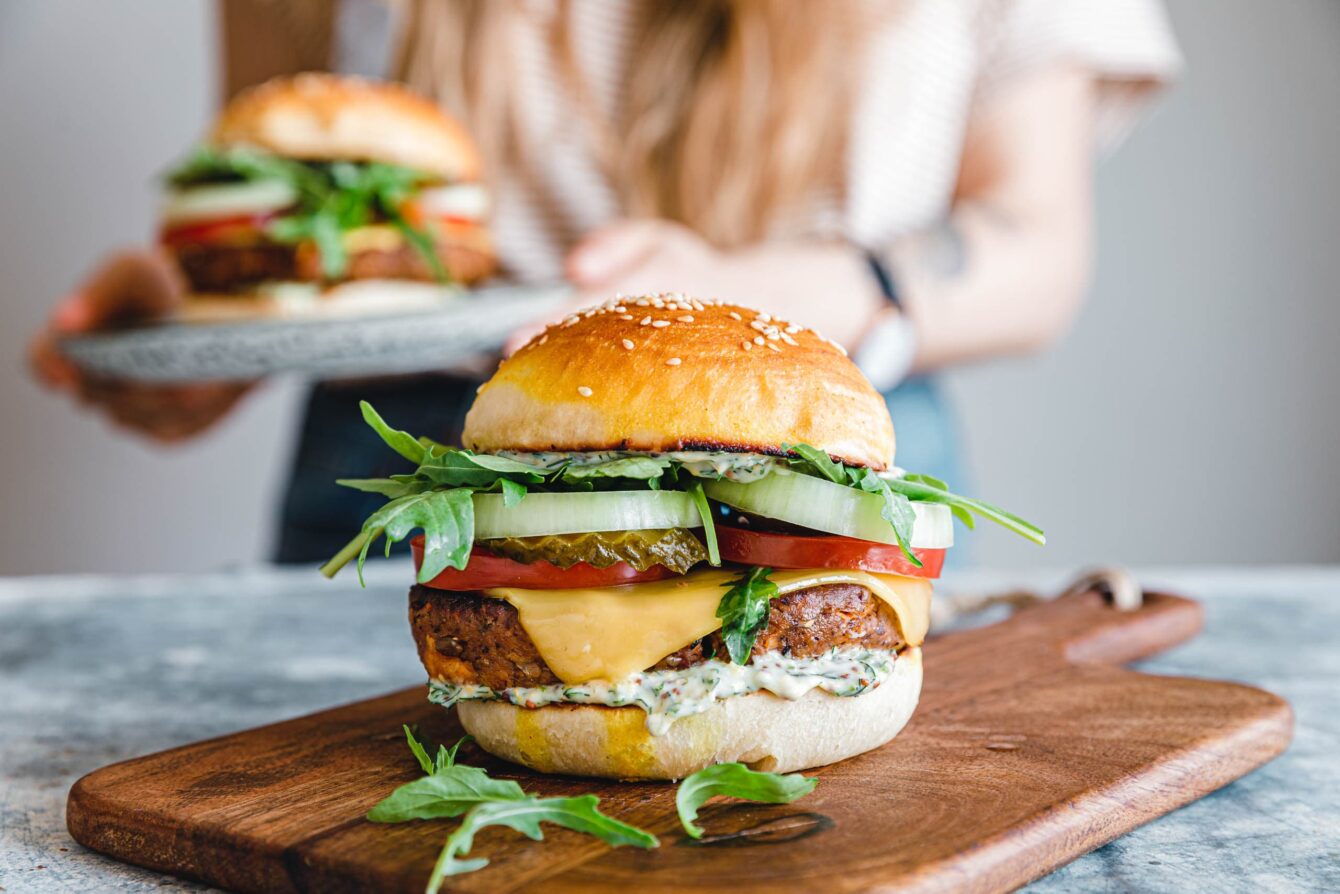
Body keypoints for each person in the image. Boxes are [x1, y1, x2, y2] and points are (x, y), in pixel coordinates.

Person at [28, 0, 1180, 563]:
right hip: (411, 472)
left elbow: (1033, 249)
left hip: (818, 465)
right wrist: (194, 330)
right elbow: (296, 195)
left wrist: (740, 292)